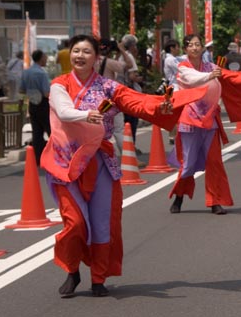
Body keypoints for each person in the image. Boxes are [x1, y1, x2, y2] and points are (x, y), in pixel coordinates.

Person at [41, 35, 205, 298]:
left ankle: (98, 277)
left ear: (97, 57)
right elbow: (63, 112)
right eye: (76, 51)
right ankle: (72, 270)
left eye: (86, 51)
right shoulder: (59, 84)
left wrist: (164, 104)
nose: (79, 56)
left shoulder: (108, 87)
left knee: (102, 222)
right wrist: (87, 114)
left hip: (101, 161)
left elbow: (137, 102)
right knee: (75, 223)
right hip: (67, 162)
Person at [169, 34, 233, 215]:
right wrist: (211, 75)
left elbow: (229, 79)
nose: (195, 48)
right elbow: (193, 79)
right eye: (191, 45)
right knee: (188, 164)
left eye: (198, 45)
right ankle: (179, 196)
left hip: (210, 120)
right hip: (189, 120)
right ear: (185, 49)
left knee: (214, 162)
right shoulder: (183, 68)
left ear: (203, 47)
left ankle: (215, 201)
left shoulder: (211, 66)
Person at [19, 49, 51, 165]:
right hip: (43, 103)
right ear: (41, 58)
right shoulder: (42, 73)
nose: (46, 59)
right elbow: (47, 93)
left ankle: (38, 159)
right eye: (45, 57)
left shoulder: (26, 72)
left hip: (32, 103)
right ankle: (54, 156)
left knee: (36, 133)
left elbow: (21, 89)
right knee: (50, 130)